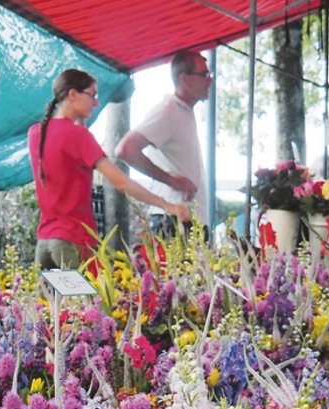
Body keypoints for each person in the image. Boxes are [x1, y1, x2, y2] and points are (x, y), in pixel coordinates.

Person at [29, 69, 189, 269]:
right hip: (72, 244)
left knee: (52, 301)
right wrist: (168, 206)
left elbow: (65, 163)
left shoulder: (36, 133)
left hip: (45, 245)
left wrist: (79, 121)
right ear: (72, 94)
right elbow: (121, 182)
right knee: (88, 300)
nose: (96, 103)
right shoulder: (78, 137)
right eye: (92, 95)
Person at [116, 50, 211, 234]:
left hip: (185, 218)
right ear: (185, 79)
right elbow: (126, 149)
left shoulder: (183, 111)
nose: (210, 80)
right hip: (174, 219)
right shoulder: (168, 110)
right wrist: (171, 180)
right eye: (204, 75)